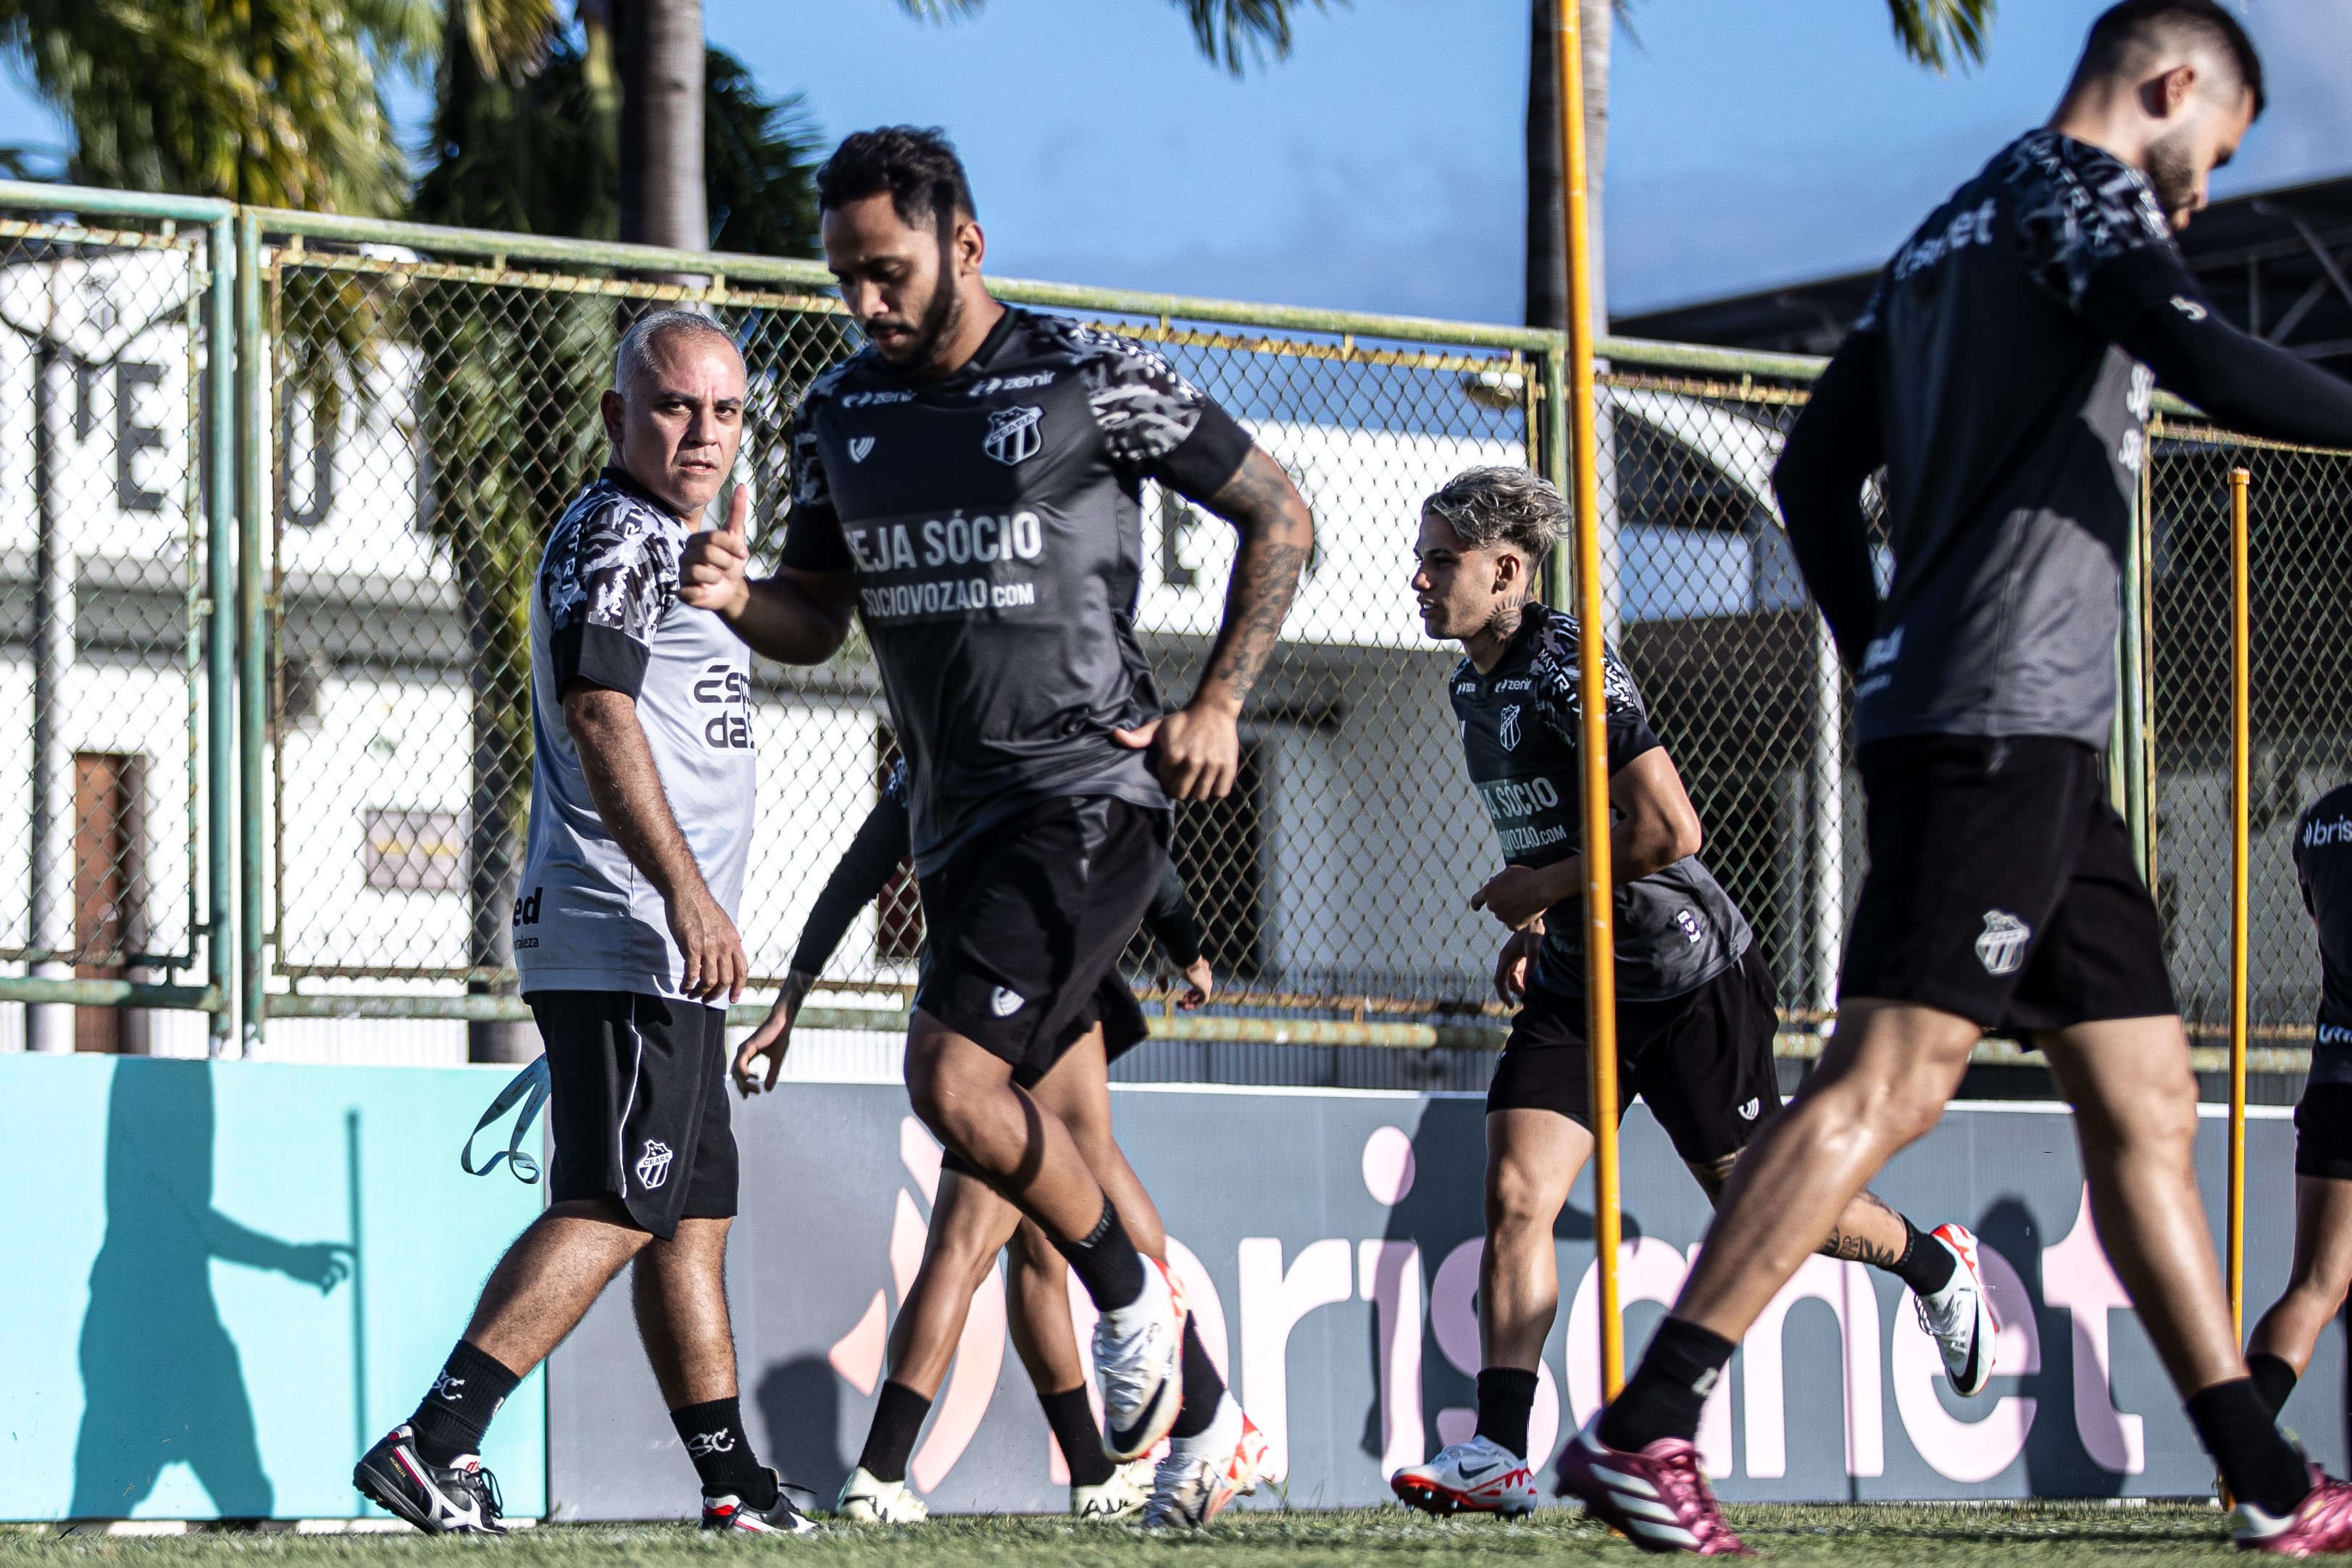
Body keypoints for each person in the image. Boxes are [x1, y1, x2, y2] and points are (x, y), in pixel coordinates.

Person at [1554, 2, 2352, 1553]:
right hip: (1997, 720)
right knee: (1892, 1079)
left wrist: (1879, 653)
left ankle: (2266, 1477)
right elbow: (2199, 351)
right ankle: (1647, 1424)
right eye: (2215, 159)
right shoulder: (2084, 193)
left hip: (2027, 734)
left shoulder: (1948, 232)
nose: (2194, 201)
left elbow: (1808, 469)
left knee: (2147, 1100)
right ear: (2173, 86)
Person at [680, 125, 1314, 1527]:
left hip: (1084, 798)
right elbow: (814, 613)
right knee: (1060, 1130)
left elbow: (1281, 513)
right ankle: (1205, 1413)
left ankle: (1129, 1309)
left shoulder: (1096, 379)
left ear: (964, 243)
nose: (863, 304)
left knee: (956, 1087)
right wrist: (739, 601)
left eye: (887, 272)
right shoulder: (840, 410)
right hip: (957, 831)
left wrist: (1220, 699)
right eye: (842, 277)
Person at [1387, 467, 1989, 1519]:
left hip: (1683, 973)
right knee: (1516, 1196)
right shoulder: (1466, 683)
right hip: (1579, 977)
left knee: (1761, 1206)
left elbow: (1669, 830)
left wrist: (1538, 886)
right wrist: (1539, 921)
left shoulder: (1569, 665)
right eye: (1423, 557)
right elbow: (1548, 824)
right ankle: (1496, 1451)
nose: (1419, 578)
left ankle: (1930, 1265)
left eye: (1441, 562)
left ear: (1506, 570)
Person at [353, 310, 818, 1536]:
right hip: (625, 927)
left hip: (667, 948)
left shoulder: (686, 540)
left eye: (724, 410)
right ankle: (431, 1439)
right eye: (674, 405)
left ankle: (732, 1481)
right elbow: (602, 711)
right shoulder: (615, 530)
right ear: (620, 416)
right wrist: (686, 888)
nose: (702, 432)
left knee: (687, 1215)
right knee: (619, 1197)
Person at [733, 757, 1217, 1521]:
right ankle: (1210, 1420)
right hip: (1037, 995)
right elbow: (1137, 851)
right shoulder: (1038, 723)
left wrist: (791, 999)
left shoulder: (923, 753)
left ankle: (1087, 1475)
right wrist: (1186, 943)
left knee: (1028, 1250)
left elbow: (854, 877)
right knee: (1068, 1185)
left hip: (961, 1004)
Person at [2244, 783, 2352, 1422]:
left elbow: (2320, 914)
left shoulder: (2320, 822)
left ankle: (2246, 1455)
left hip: (2337, 1078)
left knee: (2315, 1286)